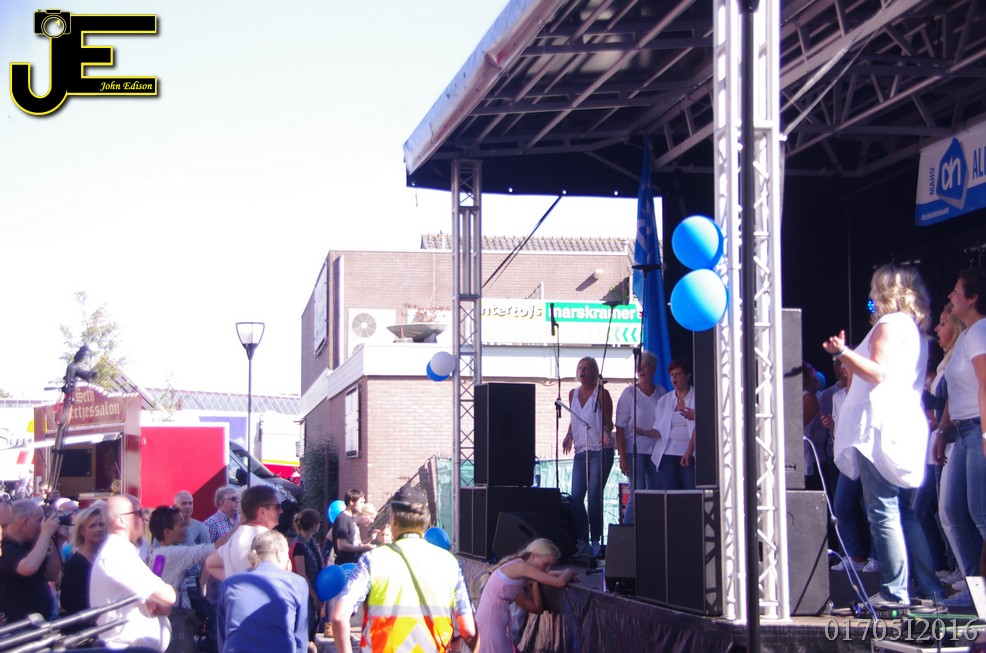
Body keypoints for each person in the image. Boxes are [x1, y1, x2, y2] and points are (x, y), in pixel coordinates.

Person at [823, 263, 937, 606]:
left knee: (883, 510)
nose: (871, 297)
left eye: (875, 291)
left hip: (879, 426)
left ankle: (894, 591)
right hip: (900, 423)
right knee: (903, 511)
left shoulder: (890, 324)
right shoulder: (912, 329)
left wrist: (843, 353)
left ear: (888, 292)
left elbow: (878, 372)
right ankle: (929, 589)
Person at [330, 484, 477, 653]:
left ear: (393, 518)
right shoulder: (450, 563)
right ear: (426, 521)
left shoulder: (372, 560)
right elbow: (469, 631)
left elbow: (339, 617)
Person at [938, 269, 986, 606]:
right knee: (953, 510)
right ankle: (977, 593)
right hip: (963, 432)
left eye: (956, 290)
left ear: (973, 297)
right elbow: (956, 391)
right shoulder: (968, 335)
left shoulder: (981, 331)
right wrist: (942, 430)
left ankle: (980, 595)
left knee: (979, 513)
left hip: (977, 429)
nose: (951, 295)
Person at [90, 494, 177, 651]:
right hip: (127, 648)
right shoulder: (117, 554)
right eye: (138, 513)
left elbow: (161, 601)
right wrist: (163, 596)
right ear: (120, 521)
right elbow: (168, 596)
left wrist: (156, 603)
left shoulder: (123, 551)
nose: (144, 518)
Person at [474, 538, 577, 653]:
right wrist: (569, 571)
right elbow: (560, 582)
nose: (547, 570)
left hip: (492, 619)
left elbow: (545, 578)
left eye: (550, 567)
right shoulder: (522, 567)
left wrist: (560, 573)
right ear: (533, 556)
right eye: (545, 564)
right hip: (491, 622)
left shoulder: (519, 566)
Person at [218, 530, 310, 653]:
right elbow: (300, 640)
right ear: (279, 553)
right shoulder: (297, 583)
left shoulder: (230, 583)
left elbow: (223, 635)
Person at [562, 356, 614, 558]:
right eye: (580, 368)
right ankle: (582, 538)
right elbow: (575, 417)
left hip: (600, 450)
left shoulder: (601, 393)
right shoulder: (573, 394)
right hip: (581, 451)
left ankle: (596, 541)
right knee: (575, 497)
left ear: (594, 372)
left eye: (586, 368)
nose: (582, 371)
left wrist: (606, 431)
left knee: (593, 496)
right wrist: (569, 435)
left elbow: (609, 420)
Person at [614, 349, 664, 525]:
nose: (641, 371)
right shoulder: (629, 393)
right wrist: (623, 457)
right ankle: (629, 533)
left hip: (657, 450)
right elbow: (619, 427)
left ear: (653, 369)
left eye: (645, 367)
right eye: (638, 368)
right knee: (637, 492)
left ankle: (652, 529)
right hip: (635, 451)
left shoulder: (662, 392)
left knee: (655, 492)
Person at [0, 499, 63, 622]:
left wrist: (59, 542)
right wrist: (45, 534)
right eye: (39, 520)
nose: (43, 524)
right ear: (25, 522)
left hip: (40, 622)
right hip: (16, 625)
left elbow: (51, 574)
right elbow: (28, 567)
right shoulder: (4, 546)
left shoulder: (29, 544)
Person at [640, 357, 697, 490]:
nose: (674, 378)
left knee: (690, 496)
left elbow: (701, 427)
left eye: (678, 374)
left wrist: (688, 452)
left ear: (688, 376)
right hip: (667, 454)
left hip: (689, 454)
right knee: (670, 497)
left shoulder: (697, 397)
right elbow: (659, 430)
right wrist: (644, 432)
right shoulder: (665, 400)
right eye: (672, 374)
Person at [206, 485, 281, 580]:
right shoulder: (212, 523)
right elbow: (209, 551)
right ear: (221, 502)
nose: (237, 501)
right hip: (220, 579)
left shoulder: (240, 519)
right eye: (233, 499)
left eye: (238, 498)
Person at [60, 505, 106, 615]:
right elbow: (67, 601)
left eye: (101, 525)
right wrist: (98, 597)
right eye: (92, 526)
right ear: (82, 531)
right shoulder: (75, 563)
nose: (98, 529)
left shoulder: (105, 557)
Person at [291, 508, 324, 643]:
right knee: (304, 632)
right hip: (305, 595)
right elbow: (302, 574)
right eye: (318, 522)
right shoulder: (299, 546)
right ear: (314, 525)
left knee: (312, 630)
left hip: (315, 593)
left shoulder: (313, 542)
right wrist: (314, 596)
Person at [332, 489, 375, 565]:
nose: (363, 505)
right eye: (361, 502)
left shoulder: (352, 519)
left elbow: (355, 544)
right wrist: (364, 548)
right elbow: (342, 546)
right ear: (351, 502)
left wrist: (369, 543)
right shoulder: (343, 519)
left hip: (355, 563)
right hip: (345, 565)